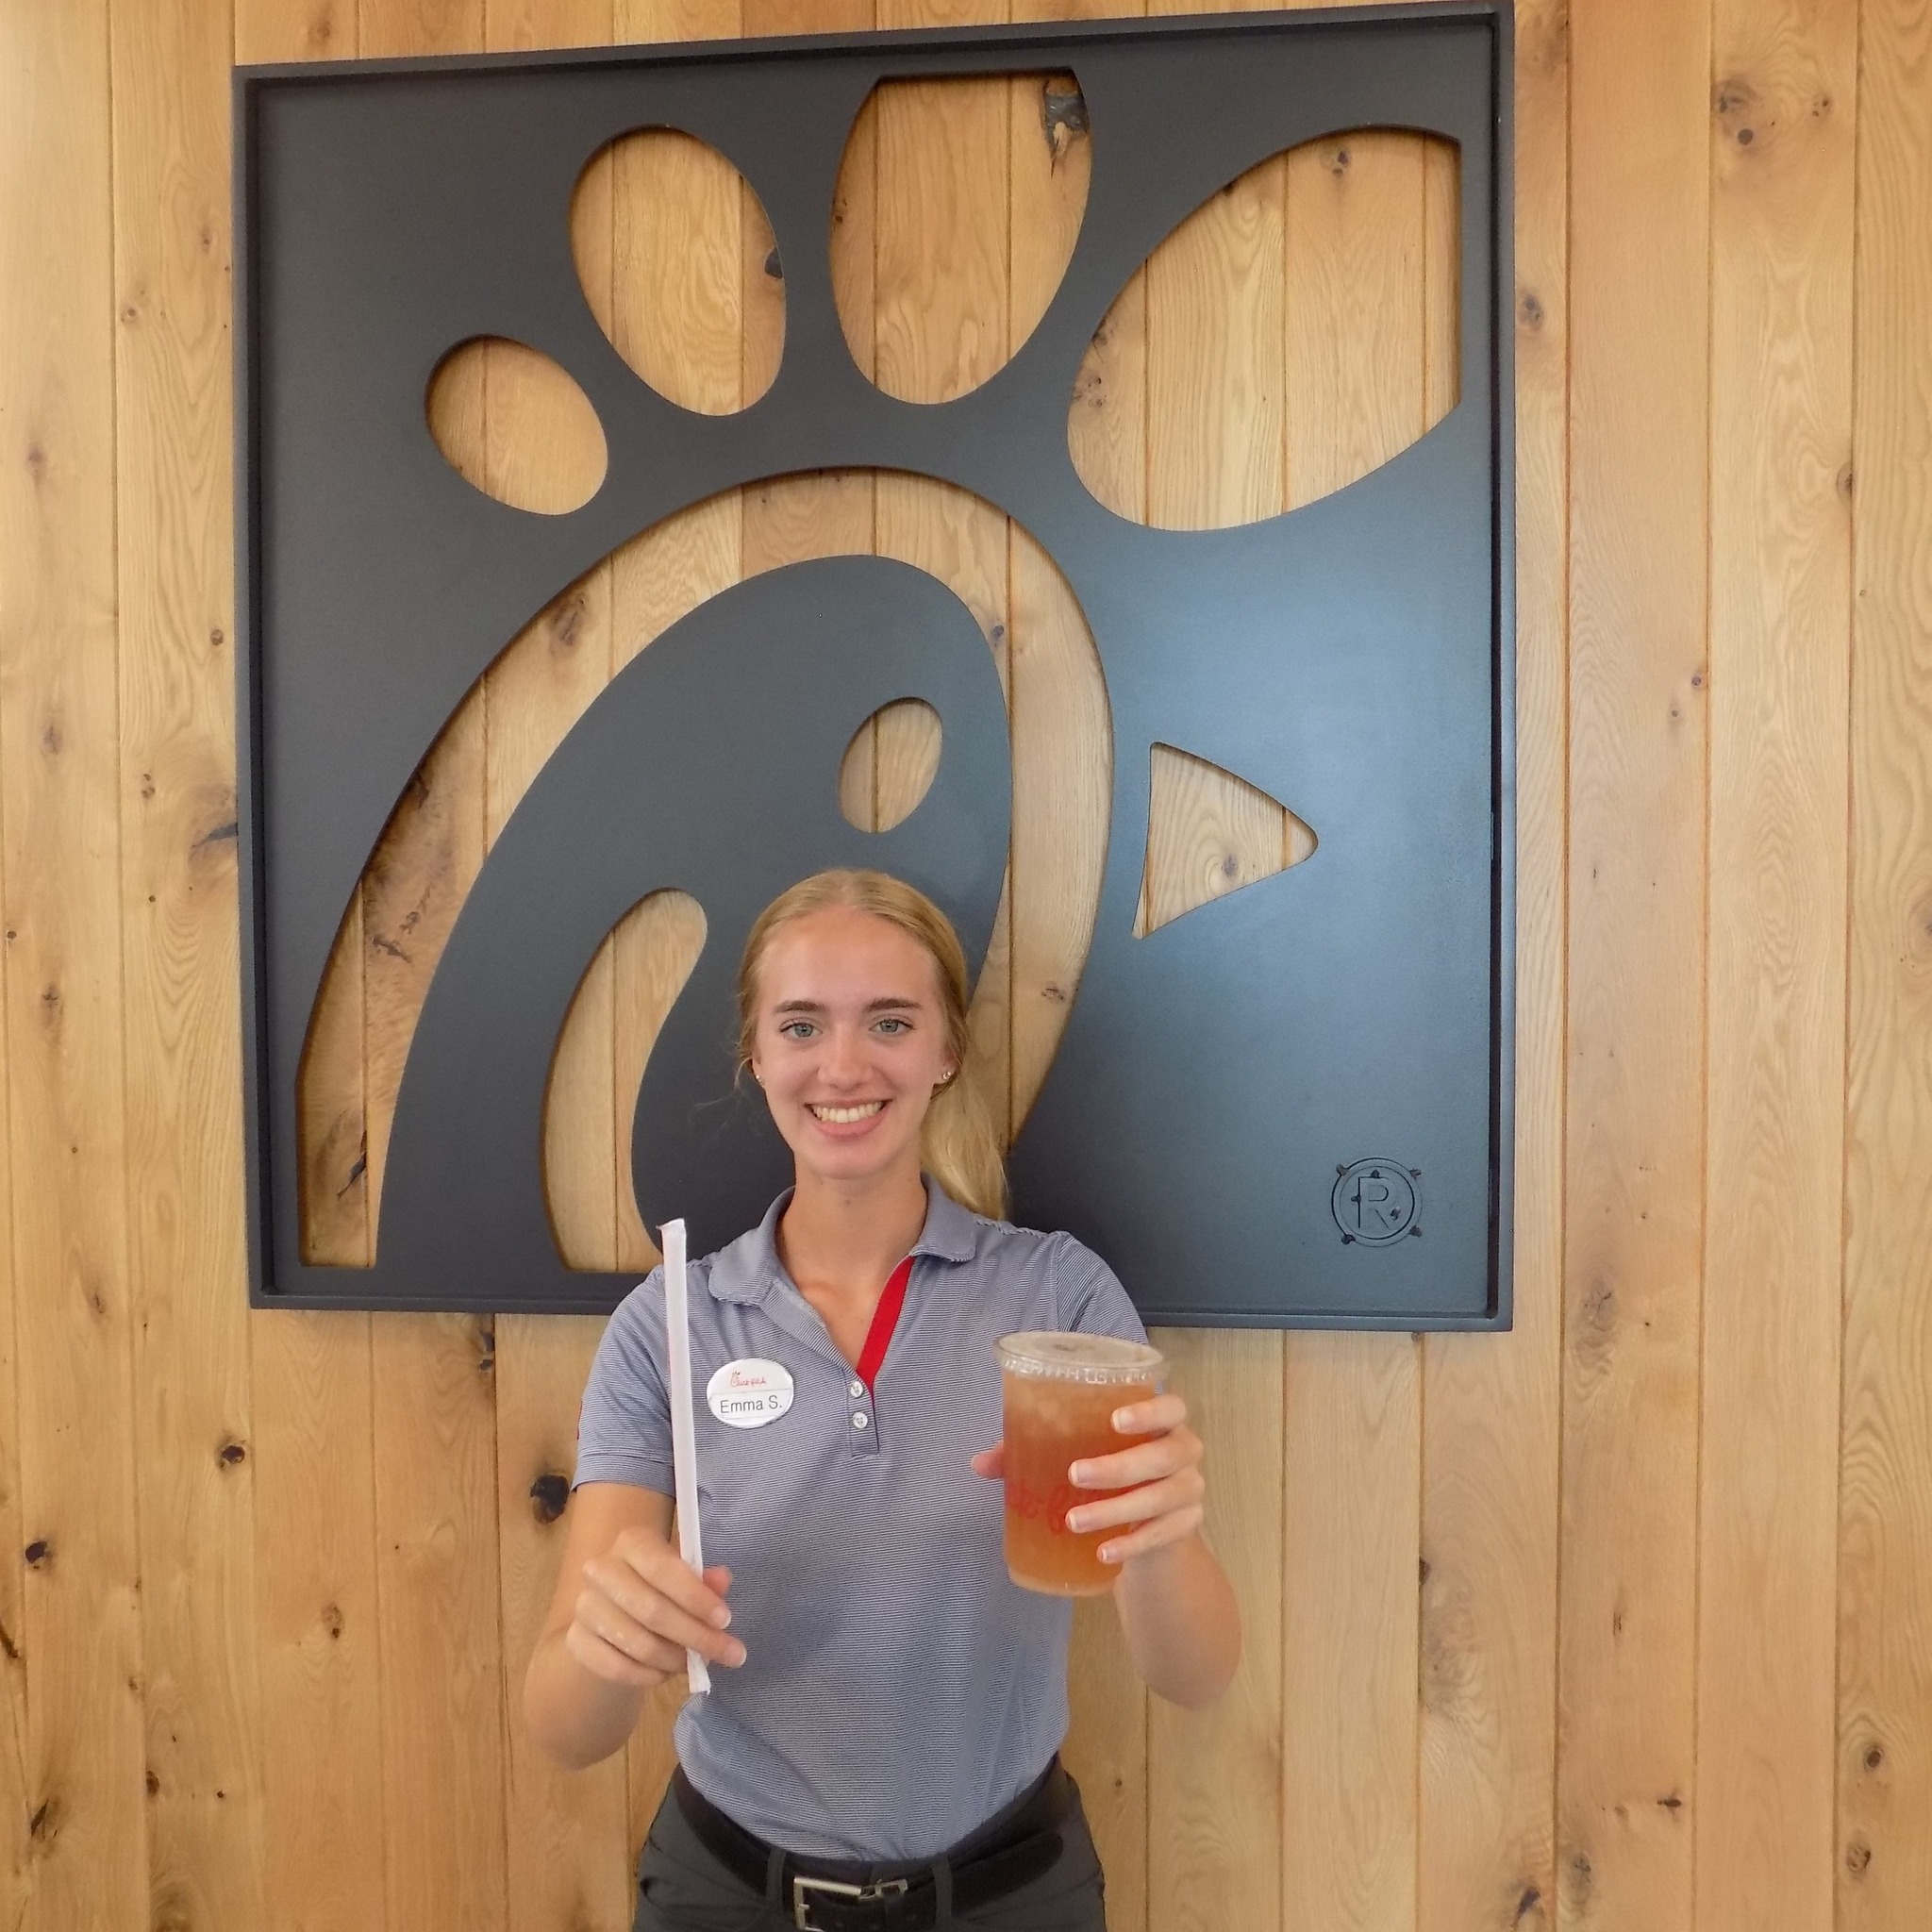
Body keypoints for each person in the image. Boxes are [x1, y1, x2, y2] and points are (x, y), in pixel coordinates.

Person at [525, 869, 1241, 1931]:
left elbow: (1194, 1675)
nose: (843, 1065)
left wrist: (1161, 1534)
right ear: (755, 1054)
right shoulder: (668, 1323)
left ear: (945, 1050)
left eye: (890, 1022)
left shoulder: (1060, 1295)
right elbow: (564, 1729)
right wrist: (605, 1643)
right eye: (800, 1025)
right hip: (728, 1892)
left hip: (1008, 1891)